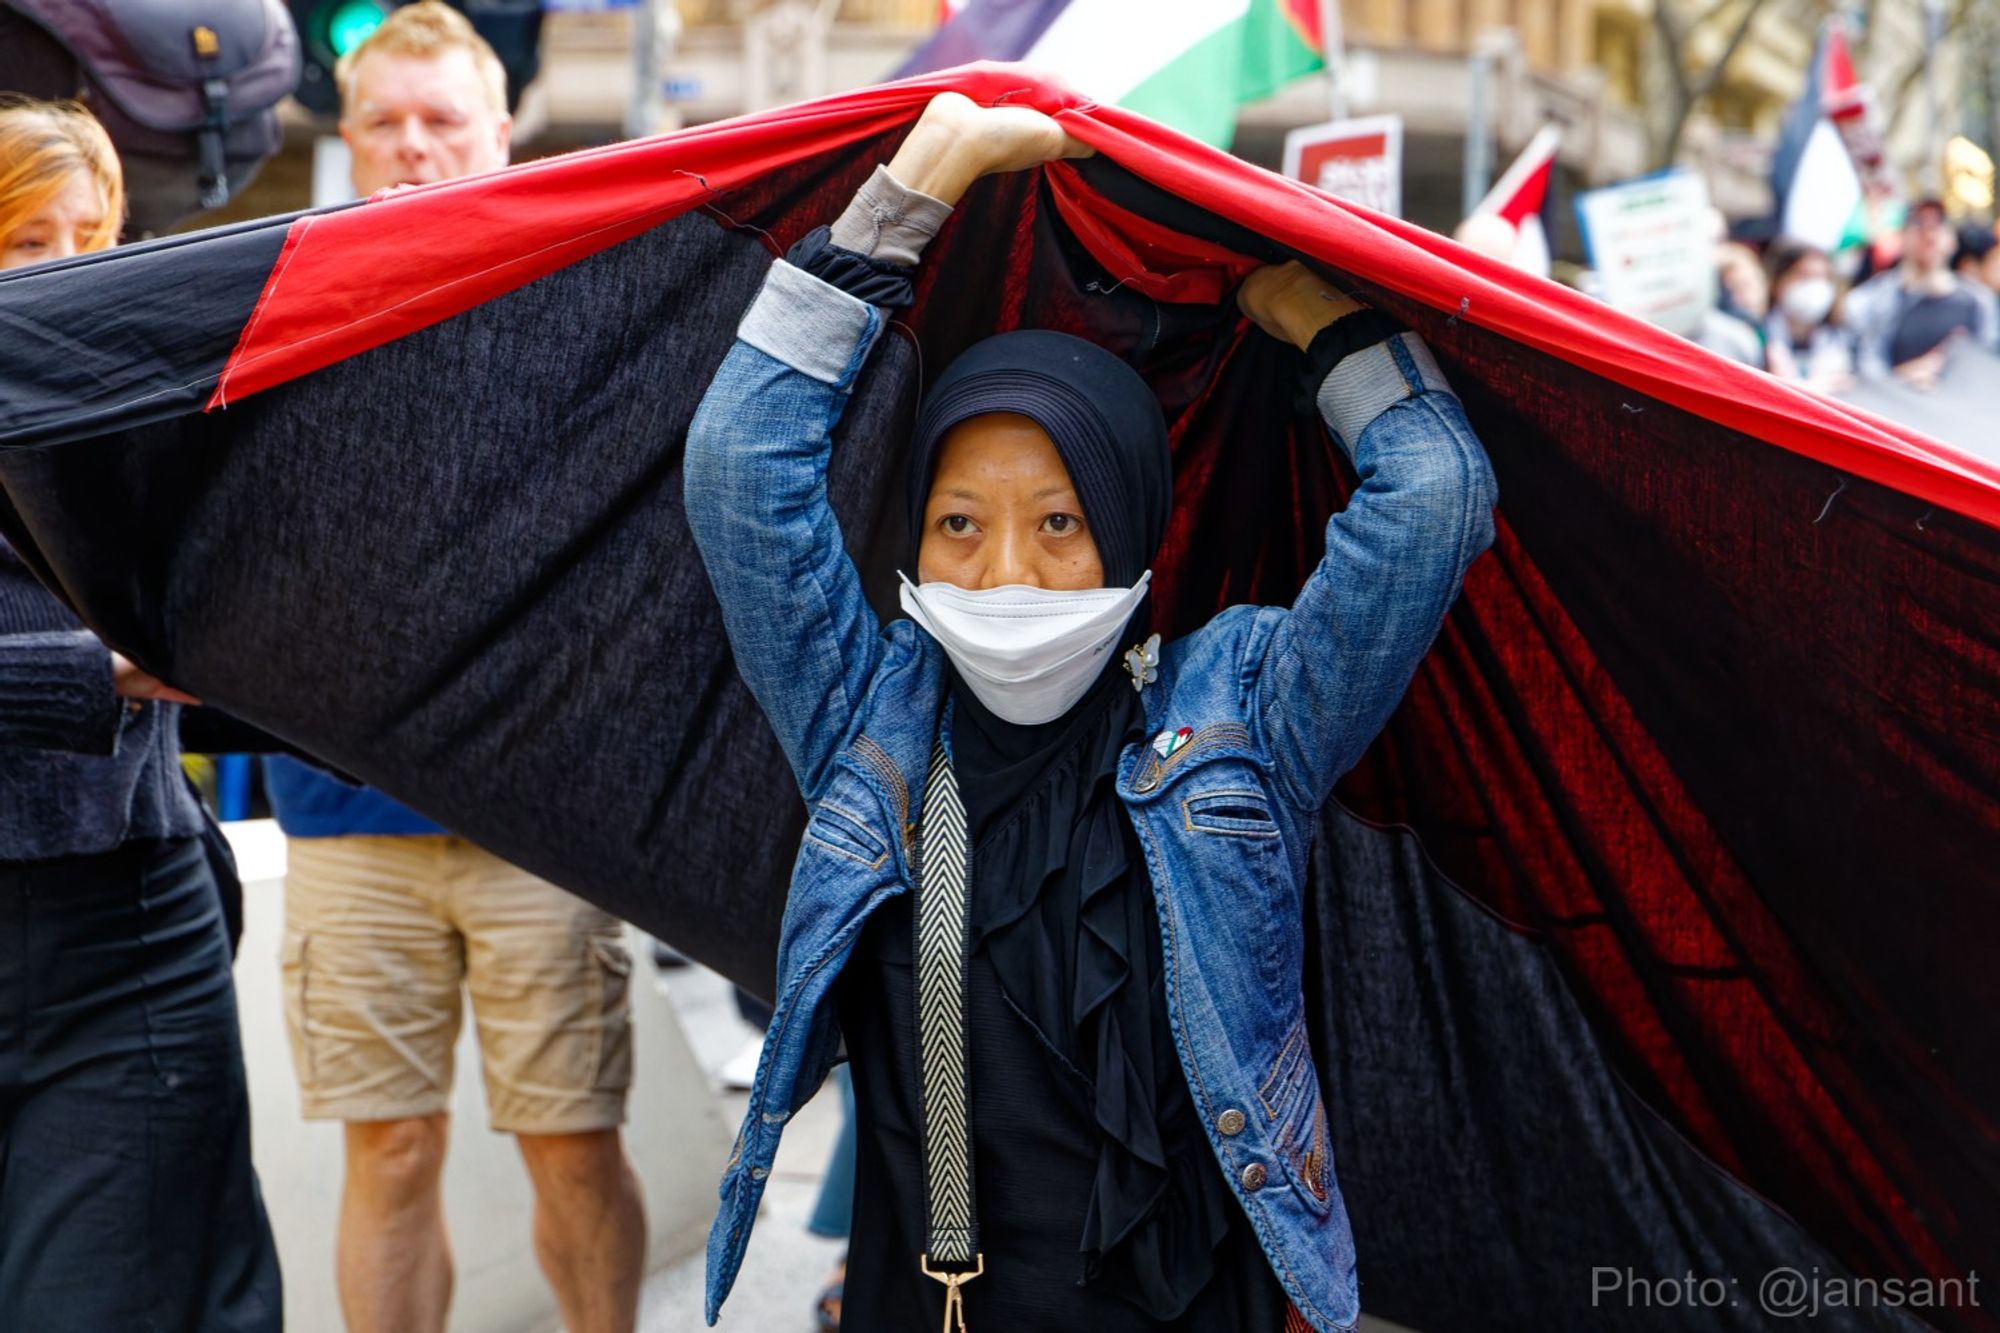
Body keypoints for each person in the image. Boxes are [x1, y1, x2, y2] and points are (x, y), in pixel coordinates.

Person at [684, 92, 1497, 1331]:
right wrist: (913, 190)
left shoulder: (1244, 716)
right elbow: (744, 468)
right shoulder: (868, 717)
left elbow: (1431, 494)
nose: (1005, 567)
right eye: (959, 525)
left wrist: (1311, 323)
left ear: (1126, 532)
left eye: (1057, 524)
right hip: (937, 1302)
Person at [265, 9, 644, 1333]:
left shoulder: (587, 301)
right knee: (392, 1148)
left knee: (574, 1143)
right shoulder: (279, 307)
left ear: (503, 132)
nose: (415, 147)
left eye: (443, 122)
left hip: (535, 814)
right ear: (347, 135)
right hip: (345, 814)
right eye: (387, 121)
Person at [0, 96, 281, 1333]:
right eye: (24, 243)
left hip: (124, 917)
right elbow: (112, 661)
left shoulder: (133, 399)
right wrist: (89, 671)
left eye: (87, 239)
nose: (66, 274)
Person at [1845, 197, 1999, 388]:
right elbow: (1859, 373)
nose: (1928, 233)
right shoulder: (1869, 301)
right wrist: (1905, 378)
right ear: (1902, 237)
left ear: (1951, 239)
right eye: (1919, 224)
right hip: (1893, 411)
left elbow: (1986, 370)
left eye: (1938, 224)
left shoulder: (1978, 301)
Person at [1763, 240, 1854, 391]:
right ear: (1777, 281)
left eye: (1821, 277)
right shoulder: (1759, 333)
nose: (1814, 286)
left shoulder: (1838, 337)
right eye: (1804, 276)